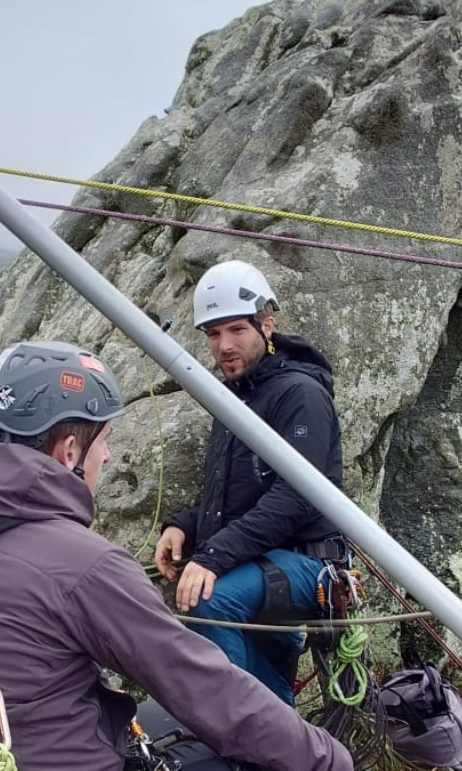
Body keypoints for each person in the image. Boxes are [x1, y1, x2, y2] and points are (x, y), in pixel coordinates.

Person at [0, 340, 352, 771]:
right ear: (70, 450)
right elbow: (209, 690)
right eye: (103, 440)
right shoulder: (85, 566)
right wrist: (331, 759)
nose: (107, 456)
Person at [154, 260, 347, 704]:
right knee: (270, 691)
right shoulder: (239, 396)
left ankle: (240, 732)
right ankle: (280, 744)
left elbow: (295, 497)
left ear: (267, 324)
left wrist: (215, 556)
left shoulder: (300, 395)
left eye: (236, 330)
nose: (223, 346)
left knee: (209, 599)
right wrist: (184, 525)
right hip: (264, 560)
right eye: (212, 334)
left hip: (308, 562)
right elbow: (234, 492)